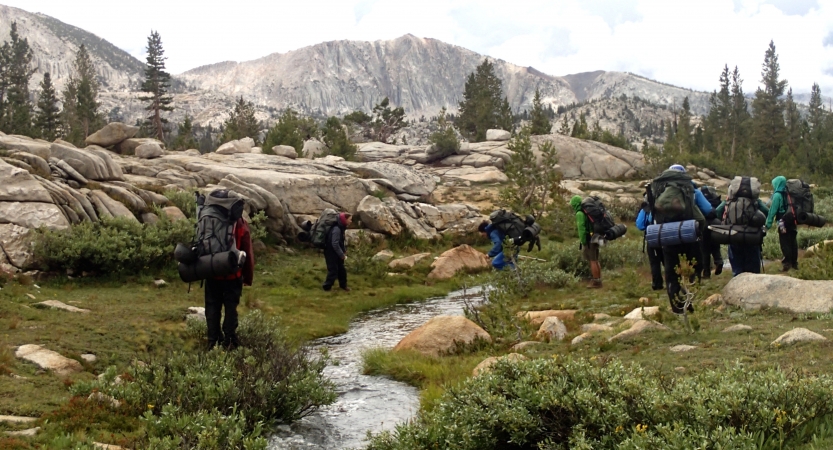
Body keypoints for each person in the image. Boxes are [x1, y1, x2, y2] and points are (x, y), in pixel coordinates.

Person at [651, 165, 706, 314]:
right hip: (689, 234)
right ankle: (689, 299)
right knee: (696, 266)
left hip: (667, 236)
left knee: (671, 273)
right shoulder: (688, 188)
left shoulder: (657, 188)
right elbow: (704, 214)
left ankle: (676, 307)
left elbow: (651, 216)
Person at [204, 190, 254, 350]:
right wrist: (247, 277)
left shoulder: (207, 217)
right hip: (233, 273)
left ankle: (213, 341)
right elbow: (247, 249)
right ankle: (230, 341)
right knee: (230, 308)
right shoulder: (239, 221)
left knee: (212, 306)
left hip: (211, 270)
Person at [715, 197, 769, 276]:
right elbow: (766, 211)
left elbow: (718, 211)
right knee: (753, 271)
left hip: (734, 236)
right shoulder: (754, 200)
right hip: (752, 237)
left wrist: (726, 223)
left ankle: (738, 282)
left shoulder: (729, 200)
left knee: (737, 268)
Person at [765, 176, 798, 271]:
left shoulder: (777, 195)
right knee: (793, 242)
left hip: (782, 222)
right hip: (792, 220)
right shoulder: (789, 193)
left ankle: (787, 264)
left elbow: (772, 211)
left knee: (785, 242)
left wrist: (768, 225)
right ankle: (794, 264)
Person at [571, 195, 602, 288]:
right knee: (596, 259)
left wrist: (584, 241)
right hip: (596, 236)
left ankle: (596, 282)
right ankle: (598, 279)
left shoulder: (579, 213)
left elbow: (582, 229)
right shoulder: (587, 211)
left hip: (589, 239)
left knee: (592, 260)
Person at [636, 198, 663, 291]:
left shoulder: (647, 206)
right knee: (668, 261)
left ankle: (657, 284)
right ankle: (674, 282)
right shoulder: (666, 201)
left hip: (653, 237)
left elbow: (640, 225)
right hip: (667, 235)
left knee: (655, 263)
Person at [699, 186, 725, 278]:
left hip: (704, 224)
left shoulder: (700, 199)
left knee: (704, 249)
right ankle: (719, 261)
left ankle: (706, 273)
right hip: (716, 223)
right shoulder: (715, 199)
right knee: (715, 245)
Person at [323, 212, 352, 291]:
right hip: (331, 252)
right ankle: (327, 287)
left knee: (341, 270)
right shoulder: (337, 229)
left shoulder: (340, 228)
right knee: (333, 270)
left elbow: (340, 242)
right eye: (350, 219)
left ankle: (343, 286)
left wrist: (343, 250)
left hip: (336, 252)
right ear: (344, 220)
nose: (351, 221)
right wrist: (341, 254)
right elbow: (334, 243)